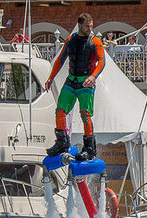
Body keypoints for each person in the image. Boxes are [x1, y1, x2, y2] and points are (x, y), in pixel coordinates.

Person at [44, 13, 105, 162]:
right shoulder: (70, 40)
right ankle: (62, 142)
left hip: (86, 82)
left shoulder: (95, 41)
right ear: (80, 25)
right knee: (60, 110)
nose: (90, 29)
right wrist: (51, 78)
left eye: (91, 26)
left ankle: (89, 149)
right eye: (87, 26)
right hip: (71, 80)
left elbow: (102, 62)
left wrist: (93, 77)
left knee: (85, 114)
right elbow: (60, 60)